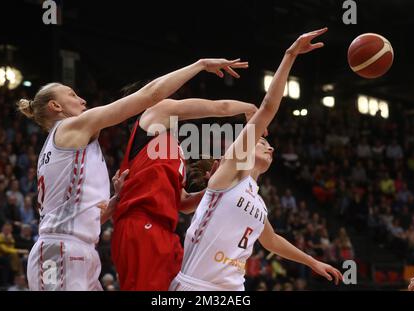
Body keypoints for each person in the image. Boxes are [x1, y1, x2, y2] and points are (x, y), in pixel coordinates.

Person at [20, 58, 246, 291]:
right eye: (72, 95)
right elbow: (150, 95)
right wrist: (199, 65)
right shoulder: (70, 128)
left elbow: (88, 218)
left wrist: (118, 199)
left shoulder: (71, 146)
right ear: (56, 106)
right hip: (59, 250)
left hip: (81, 250)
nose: (82, 99)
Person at [170, 28, 343, 291]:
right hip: (197, 285)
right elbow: (267, 108)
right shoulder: (229, 175)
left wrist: (312, 262)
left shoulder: (258, 202)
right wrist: (290, 54)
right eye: (262, 142)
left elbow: (271, 240)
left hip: (234, 288)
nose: (269, 147)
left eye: (269, 144)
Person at [110, 88, 258, 290]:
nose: (169, 98)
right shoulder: (153, 116)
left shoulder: (173, 147)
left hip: (165, 230)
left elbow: (183, 202)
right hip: (142, 223)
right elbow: (219, 107)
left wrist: (213, 187)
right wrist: (249, 109)